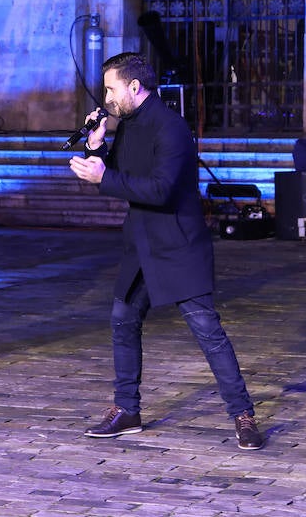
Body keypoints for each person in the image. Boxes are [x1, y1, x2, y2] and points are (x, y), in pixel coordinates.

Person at [68, 51, 264, 450]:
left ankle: (243, 415)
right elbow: (120, 175)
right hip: (141, 245)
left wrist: (105, 176)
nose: (107, 97)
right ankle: (127, 410)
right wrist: (96, 145)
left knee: (208, 332)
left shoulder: (171, 129)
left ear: (135, 87)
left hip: (177, 246)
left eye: (111, 88)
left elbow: (159, 189)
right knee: (123, 320)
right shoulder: (128, 126)